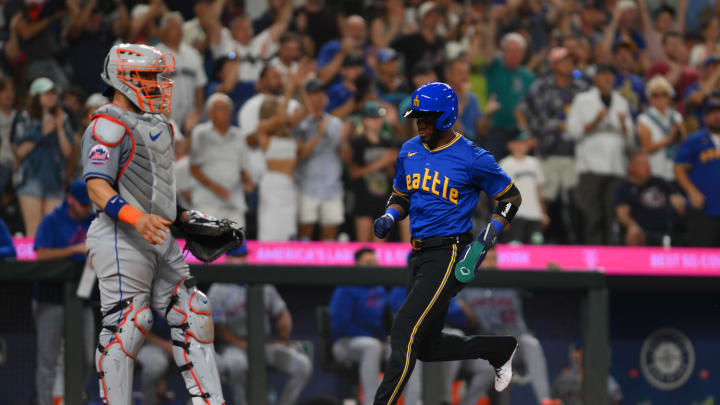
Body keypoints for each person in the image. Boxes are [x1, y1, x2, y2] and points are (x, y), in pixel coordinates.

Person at [81, 43, 226, 404]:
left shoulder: (158, 123)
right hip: (120, 235)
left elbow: (154, 192)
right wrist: (137, 218)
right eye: (149, 77)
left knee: (194, 312)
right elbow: (97, 187)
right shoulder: (107, 123)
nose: (159, 84)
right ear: (122, 78)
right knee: (128, 325)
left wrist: (184, 218)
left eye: (159, 76)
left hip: (156, 232)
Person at [372, 82, 521, 404]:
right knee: (426, 346)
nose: (419, 122)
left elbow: (510, 197)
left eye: (426, 117)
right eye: (417, 117)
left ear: (446, 116)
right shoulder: (409, 149)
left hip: (451, 252)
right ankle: (498, 348)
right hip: (419, 253)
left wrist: (486, 239)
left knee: (403, 330)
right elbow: (401, 194)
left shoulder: (472, 156)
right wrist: (390, 215)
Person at [456, 249, 553, 405]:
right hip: (482, 348)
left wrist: (548, 271)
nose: (490, 263)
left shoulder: (509, 280)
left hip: (514, 345)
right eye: (486, 259)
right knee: (488, 366)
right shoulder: (466, 286)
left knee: (531, 343)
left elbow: (536, 283)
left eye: (494, 258)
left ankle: (545, 400)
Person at [515, 47, 588, 243]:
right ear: (553, 64)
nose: (569, 64)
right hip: (549, 150)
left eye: (571, 60)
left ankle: (572, 242)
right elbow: (520, 110)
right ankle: (544, 239)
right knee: (547, 198)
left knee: (573, 201)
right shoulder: (541, 86)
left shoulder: (582, 87)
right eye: (564, 60)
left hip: (576, 152)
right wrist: (529, 135)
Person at [32, 180, 95, 405]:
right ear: (70, 200)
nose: (87, 209)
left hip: (82, 300)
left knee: (87, 357)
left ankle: (74, 399)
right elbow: (41, 254)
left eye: (89, 205)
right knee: (47, 360)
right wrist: (74, 250)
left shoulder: (94, 221)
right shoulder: (52, 220)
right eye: (82, 204)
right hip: (51, 299)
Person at [208, 283, 312, 405]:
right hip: (233, 346)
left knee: (302, 365)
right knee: (237, 365)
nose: (238, 262)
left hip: (262, 344)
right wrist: (244, 344)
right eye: (234, 261)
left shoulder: (264, 285)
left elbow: (283, 315)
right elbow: (219, 329)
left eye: (242, 261)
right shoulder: (218, 288)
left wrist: (284, 338)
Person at [566, 65, 634, 245]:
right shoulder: (582, 100)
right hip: (591, 166)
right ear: (595, 78)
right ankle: (591, 254)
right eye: (603, 75)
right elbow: (573, 132)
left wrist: (624, 126)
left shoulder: (621, 101)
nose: (607, 79)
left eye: (610, 75)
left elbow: (631, 141)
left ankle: (610, 255)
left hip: (616, 165)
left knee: (610, 214)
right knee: (591, 213)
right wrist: (595, 121)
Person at [13, 77, 74, 237]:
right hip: (30, 177)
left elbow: (67, 152)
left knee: (52, 232)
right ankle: (32, 263)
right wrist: (42, 132)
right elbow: (20, 151)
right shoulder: (24, 116)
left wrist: (60, 127)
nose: (51, 96)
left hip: (54, 178)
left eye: (53, 92)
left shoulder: (63, 116)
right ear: (36, 96)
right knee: (34, 231)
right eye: (46, 93)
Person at [190, 93, 253, 228]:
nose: (225, 112)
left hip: (233, 199)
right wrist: (215, 187)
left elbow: (243, 168)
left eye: (227, 108)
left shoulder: (239, 135)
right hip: (207, 200)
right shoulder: (200, 133)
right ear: (210, 112)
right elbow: (194, 168)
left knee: (237, 242)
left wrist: (247, 181)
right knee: (208, 243)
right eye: (220, 108)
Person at [294, 79, 345, 241]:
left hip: (332, 186)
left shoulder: (335, 123)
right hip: (307, 186)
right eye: (314, 94)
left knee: (329, 241)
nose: (319, 98)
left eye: (322, 93)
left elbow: (343, 153)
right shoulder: (299, 123)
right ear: (306, 98)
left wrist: (345, 140)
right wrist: (319, 133)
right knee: (304, 238)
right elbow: (299, 155)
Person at [345, 102, 398, 242]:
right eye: (373, 118)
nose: (377, 121)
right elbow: (353, 173)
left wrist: (390, 165)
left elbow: (391, 175)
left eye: (379, 118)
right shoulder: (358, 143)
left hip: (383, 199)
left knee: (380, 249)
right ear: (365, 121)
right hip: (363, 200)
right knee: (363, 248)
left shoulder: (386, 142)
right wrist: (381, 162)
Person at [674, 93, 720, 247]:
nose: (716, 116)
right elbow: (679, 168)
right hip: (704, 209)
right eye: (712, 112)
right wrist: (691, 191)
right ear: (705, 117)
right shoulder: (695, 139)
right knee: (703, 257)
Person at [482, 30, 536, 159]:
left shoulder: (529, 77)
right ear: (503, 52)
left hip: (520, 132)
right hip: (496, 130)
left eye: (518, 51)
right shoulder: (494, 67)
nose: (514, 55)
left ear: (523, 54)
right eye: (510, 50)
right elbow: (488, 52)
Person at [615, 151, 685, 246]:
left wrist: (681, 204)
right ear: (632, 167)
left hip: (669, 227)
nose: (647, 167)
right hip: (643, 230)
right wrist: (632, 226)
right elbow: (622, 213)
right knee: (633, 234)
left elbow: (678, 200)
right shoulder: (624, 188)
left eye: (648, 164)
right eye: (642, 164)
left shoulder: (659, 182)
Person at [257, 93, 299, 241]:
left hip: (289, 184)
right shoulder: (262, 128)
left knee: (288, 230)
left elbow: (307, 111)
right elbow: (280, 118)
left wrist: (300, 88)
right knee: (271, 229)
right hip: (273, 184)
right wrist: (288, 90)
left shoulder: (288, 132)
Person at [155, 12, 207, 133]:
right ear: (163, 31)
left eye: (180, 27)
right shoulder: (155, 55)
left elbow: (199, 86)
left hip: (190, 119)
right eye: (174, 27)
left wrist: (197, 112)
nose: (179, 30)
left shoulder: (193, 54)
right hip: (163, 118)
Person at [498, 132, 548, 244]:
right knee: (516, 250)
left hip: (535, 215)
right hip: (515, 215)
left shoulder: (534, 163)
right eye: (518, 143)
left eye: (524, 143)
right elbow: (498, 193)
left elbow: (538, 191)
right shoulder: (505, 164)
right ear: (510, 145)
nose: (521, 146)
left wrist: (543, 213)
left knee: (536, 250)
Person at [636, 76, 685, 181]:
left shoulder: (677, 116)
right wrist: (669, 139)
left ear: (670, 96)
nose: (660, 98)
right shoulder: (644, 119)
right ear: (649, 98)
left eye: (664, 94)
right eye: (655, 95)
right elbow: (648, 148)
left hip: (675, 168)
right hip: (655, 168)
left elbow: (683, 142)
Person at [551, 342, 623, 405]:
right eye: (579, 351)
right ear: (575, 353)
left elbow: (617, 400)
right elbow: (554, 399)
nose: (582, 354)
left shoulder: (608, 383)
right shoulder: (564, 379)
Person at [135, 311, 175, 405]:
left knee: (211, 364)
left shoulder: (187, 300)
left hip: (183, 343)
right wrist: (166, 346)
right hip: (150, 345)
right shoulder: (148, 301)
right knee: (156, 365)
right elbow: (139, 329)